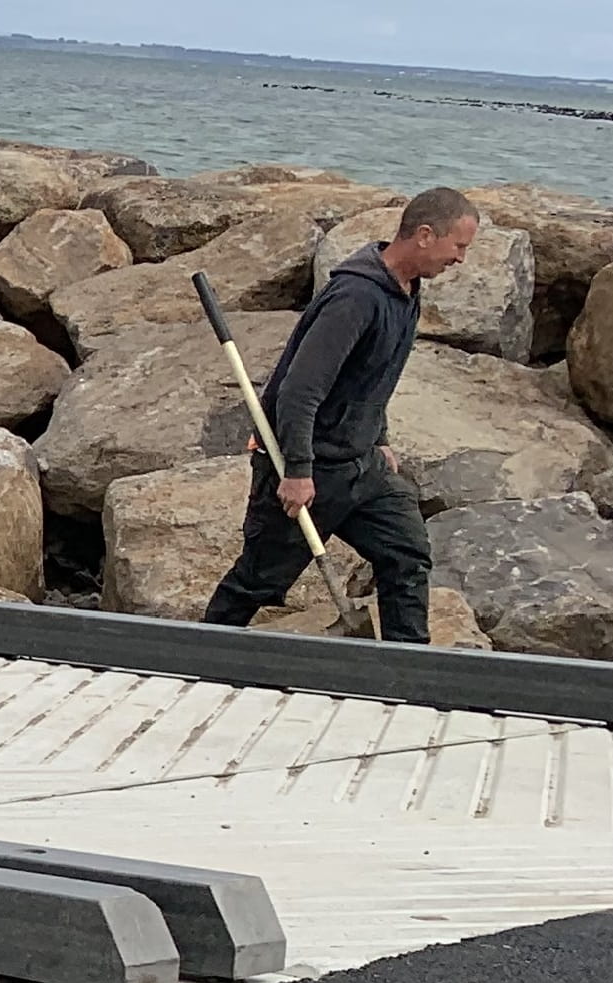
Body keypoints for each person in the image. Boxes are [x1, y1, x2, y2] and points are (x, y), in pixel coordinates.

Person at [201, 186, 481, 642]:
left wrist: (380, 435)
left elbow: (374, 374)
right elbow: (298, 390)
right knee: (259, 580)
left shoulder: (407, 292)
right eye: (459, 246)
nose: (461, 259)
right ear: (426, 235)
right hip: (306, 466)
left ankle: (405, 669)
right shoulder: (355, 297)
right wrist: (297, 471)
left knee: (406, 554)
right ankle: (192, 657)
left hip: (360, 466)